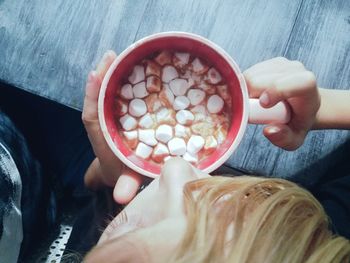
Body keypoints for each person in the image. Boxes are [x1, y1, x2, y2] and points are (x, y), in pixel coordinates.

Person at [0, 52, 349, 262]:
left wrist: (105, 173)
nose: (176, 166)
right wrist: (324, 109)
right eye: (223, 209)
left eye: (127, 226)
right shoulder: (325, 235)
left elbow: (91, 201)